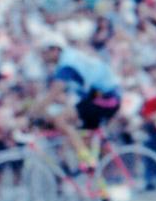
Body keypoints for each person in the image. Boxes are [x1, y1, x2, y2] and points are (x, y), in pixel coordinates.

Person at [29, 35, 123, 169]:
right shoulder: (71, 56)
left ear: (55, 50)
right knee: (82, 136)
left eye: (44, 52)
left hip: (106, 97)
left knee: (60, 120)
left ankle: (87, 159)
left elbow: (53, 93)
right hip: (102, 97)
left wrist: (34, 112)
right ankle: (99, 176)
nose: (42, 56)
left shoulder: (66, 63)